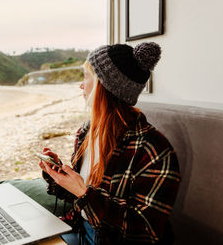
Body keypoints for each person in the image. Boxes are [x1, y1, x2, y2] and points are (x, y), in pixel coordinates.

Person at [39, 42, 181, 245]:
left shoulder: (154, 150)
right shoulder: (87, 133)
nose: (81, 85)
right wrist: (58, 177)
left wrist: (84, 193)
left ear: (103, 86)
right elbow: (79, 200)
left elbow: (146, 229)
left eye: (86, 77)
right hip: (80, 230)